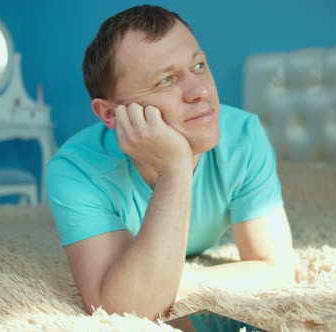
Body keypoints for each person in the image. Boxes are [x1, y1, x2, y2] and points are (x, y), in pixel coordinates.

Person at [46, 4, 295, 320]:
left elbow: (276, 268)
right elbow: (123, 309)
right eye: (165, 80)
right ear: (110, 114)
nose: (199, 90)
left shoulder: (244, 136)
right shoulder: (74, 171)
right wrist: (176, 167)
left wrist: (170, 282)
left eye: (199, 65)